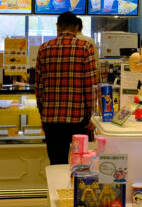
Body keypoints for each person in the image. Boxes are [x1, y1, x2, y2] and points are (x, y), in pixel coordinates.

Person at [35, 11, 98, 166]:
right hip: (79, 119)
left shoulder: (44, 49)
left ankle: (58, 183)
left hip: (51, 119)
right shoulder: (86, 48)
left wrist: (42, 113)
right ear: (76, 27)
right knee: (82, 164)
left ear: (58, 27)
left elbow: (39, 86)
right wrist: (92, 114)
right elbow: (90, 85)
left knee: (57, 163)